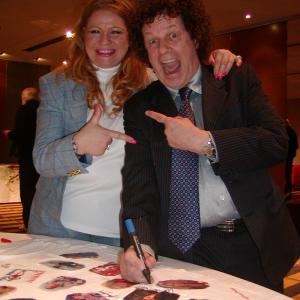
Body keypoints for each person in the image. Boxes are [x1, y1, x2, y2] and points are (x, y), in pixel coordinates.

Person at [119, 0, 300, 293]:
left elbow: (277, 141)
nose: (163, 50)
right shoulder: (140, 107)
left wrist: (205, 142)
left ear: (194, 36)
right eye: (152, 41)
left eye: (173, 36)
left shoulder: (234, 80)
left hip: (252, 243)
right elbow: (139, 188)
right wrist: (139, 245)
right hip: (182, 251)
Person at [28, 0, 242, 246]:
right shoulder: (57, 85)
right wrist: (78, 146)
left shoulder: (154, 82)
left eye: (116, 32)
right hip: (61, 227)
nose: (105, 40)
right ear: (82, 36)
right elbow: (42, 160)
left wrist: (217, 59)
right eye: (95, 31)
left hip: (126, 231)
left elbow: (193, 74)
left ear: (132, 38)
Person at [9, 87, 40, 228]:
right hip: (42, 158)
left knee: (27, 192)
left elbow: (20, 135)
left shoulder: (23, 110)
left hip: (27, 157)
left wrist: (9, 134)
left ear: (24, 98)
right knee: (41, 191)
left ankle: (28, 223)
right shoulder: (44, 110)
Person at [285, 118, 299, 195]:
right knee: (288, 175)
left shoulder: (287, 132)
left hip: (287, 156)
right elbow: (296, 146)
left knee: (286, 175)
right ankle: (288, 192)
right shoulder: (292, 132)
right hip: (290, 156)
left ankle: (287, 192)